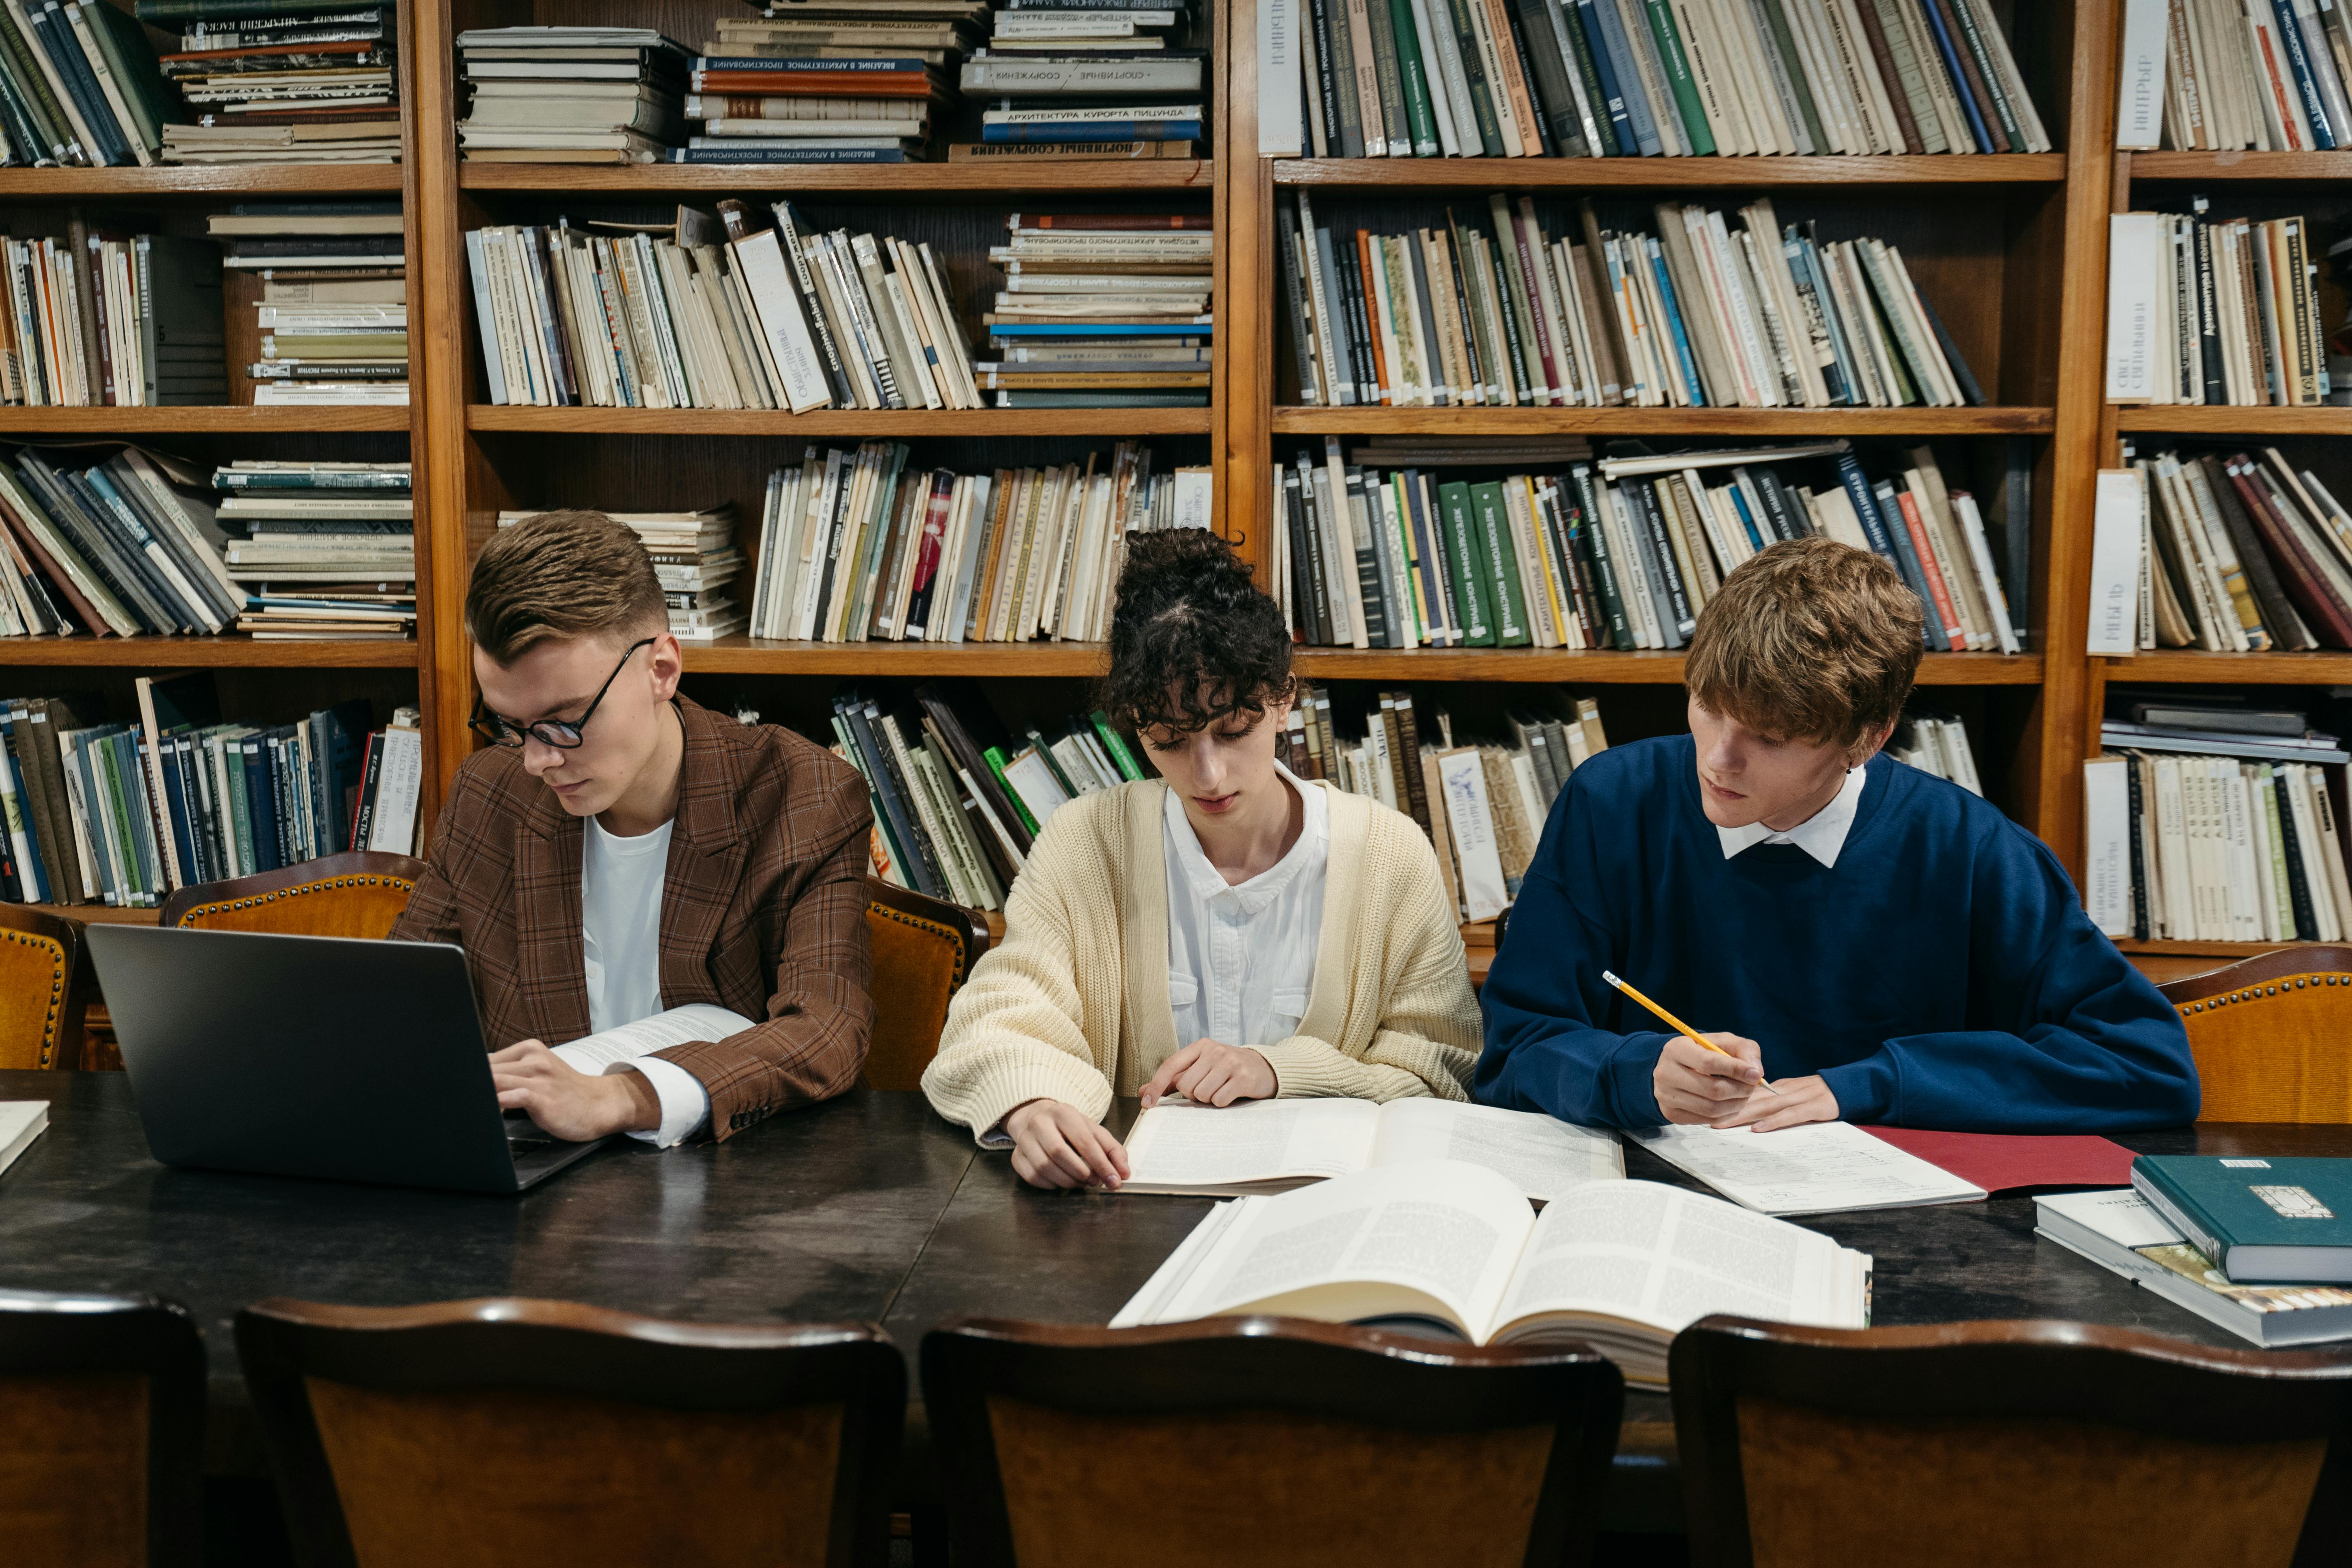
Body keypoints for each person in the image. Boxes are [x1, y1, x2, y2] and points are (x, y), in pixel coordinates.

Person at [1476, 536, 2199, 1134]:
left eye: (1769, 737)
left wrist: (1866, 1086)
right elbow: (1514, 1052)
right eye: (1706, 707)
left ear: (1866, 739)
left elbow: (2145, 1067)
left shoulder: (1972, 853)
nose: (1717, 759)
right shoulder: (1613, 802)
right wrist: (1634, 1073)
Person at [922, 529, 1481, 1189]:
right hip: (1123, 1218)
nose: (1208, 775)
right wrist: (1031, 1102)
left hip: (1325, 1214)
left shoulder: (1390, 855)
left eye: (1233, 732)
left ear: (1283, 698)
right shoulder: (1084, 843)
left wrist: (1279, 1071)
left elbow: (1441, 1070)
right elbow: (999, 1015)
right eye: (1170, 741)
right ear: (1137, 724)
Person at [390, 510, 875, 1145]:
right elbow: (402, 996)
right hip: (531, 1184)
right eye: (510, 725)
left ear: (662, 670)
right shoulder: (492, 792)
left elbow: (826, 1028)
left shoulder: (800, 795)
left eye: (565, 722)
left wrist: (622, 1095)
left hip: (730, 1191)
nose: (537, 760)